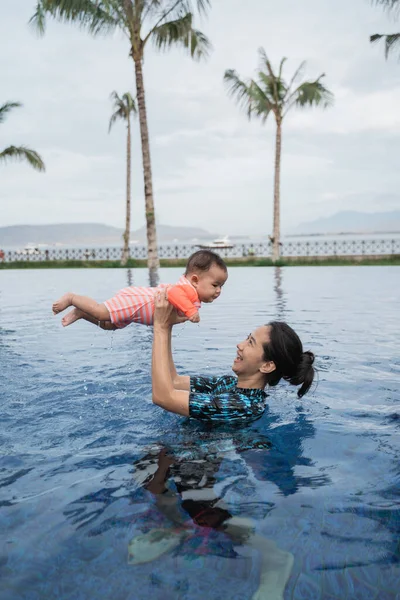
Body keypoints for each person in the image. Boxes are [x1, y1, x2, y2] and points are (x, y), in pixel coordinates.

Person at [152, 290, 315, 424]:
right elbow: (173, 381)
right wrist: (168, 325)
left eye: (250, 342)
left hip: (198, 460)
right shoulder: (228, 383)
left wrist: (160, 327)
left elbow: (163, 397)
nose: (240, 345)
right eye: (247, 337)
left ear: (267, 366)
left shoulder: (243, 406)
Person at [52, 250, 228, 330]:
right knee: (100, 312)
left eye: (221, 286)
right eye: (215, 285)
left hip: (138, 311)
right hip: (136, 302)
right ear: (195, 280)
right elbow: (174, 294)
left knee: (109, 325)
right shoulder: (187, 291)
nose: (219, 291)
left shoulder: (192, 296)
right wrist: (190, 312)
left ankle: (82, 312)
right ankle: (72, 298)